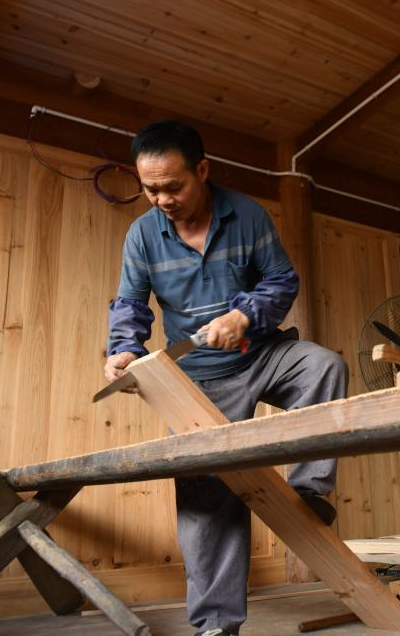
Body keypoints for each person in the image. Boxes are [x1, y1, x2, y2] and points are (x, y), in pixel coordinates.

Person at [103, 119, 346, 636]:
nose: (162, 200)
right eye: (150, 189)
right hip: (196, 380)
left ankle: (308, 494)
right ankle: (217, 624)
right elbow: (130, 305)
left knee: (324, 366)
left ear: (203, 170)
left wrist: (245, 315)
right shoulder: (142, 235)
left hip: (261, 354)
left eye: (173, 187)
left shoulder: (248, 215)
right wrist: (124, 351)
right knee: (206, 498)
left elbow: (281, 280)